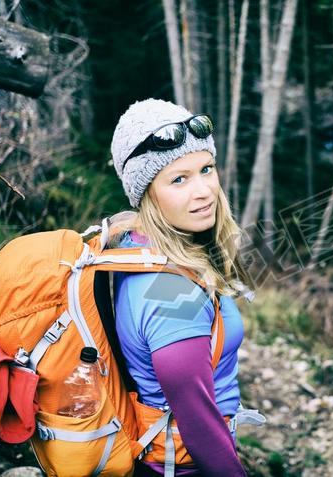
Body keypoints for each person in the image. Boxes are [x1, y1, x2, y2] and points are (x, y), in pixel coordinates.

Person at [106, 98, 255, 476]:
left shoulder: (136, 245)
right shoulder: (173, 295)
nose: (204, 190)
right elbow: (199, 426)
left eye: (206, 168)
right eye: (179, 179)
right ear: (146, 193)